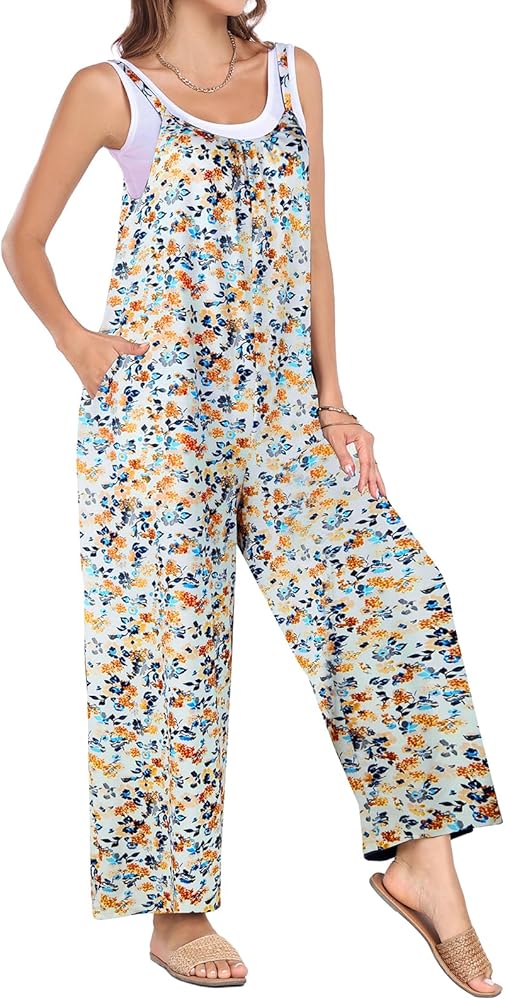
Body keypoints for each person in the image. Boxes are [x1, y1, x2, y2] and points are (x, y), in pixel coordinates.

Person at [2, 0, 503, 993]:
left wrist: (333, 400)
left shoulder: (292, 73)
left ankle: (423, 865)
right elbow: (23, 240)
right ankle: (175, 912)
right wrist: (77, 344)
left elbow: (311, 246)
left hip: (282, 413)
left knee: (394, 597)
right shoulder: (111, 92)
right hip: (156, 419)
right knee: (165, 658)